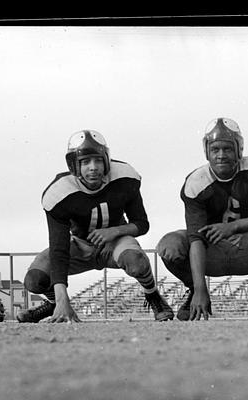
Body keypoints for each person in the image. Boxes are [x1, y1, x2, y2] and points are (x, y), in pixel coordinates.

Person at [16, 129, 174, 323]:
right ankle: (54, 304)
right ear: (74, 165)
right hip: (79, 245)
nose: (93, 167)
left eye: (98, 160)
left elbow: (142, 224)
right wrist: (62, 299)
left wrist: (114, 231)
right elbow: (59, 248)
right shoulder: (59, 193)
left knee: (136, 261)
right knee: (34, 280)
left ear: (106, 160)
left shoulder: (124, 177)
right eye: (85, 162)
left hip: (115, 243)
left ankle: (153, 295)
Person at [156, 118, 248, 321]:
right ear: (207, 152)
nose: (221, 155)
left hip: (247, 245)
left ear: (239, 150)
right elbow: (196, 239)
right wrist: (200, 289)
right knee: (169, 245)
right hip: (210, 250)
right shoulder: (196, 182)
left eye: (227, 149)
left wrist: (233, 227)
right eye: (215, 149)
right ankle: (193, 291)